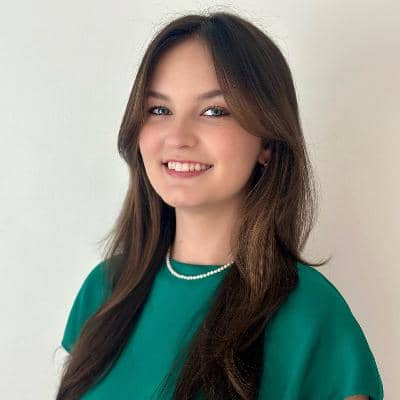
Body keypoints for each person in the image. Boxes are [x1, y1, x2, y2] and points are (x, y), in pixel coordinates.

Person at [56, 11, 384, 400]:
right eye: (159, 110)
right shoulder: (104, 290)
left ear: (267, 143)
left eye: (214, 111)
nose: (178, 137)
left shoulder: (311, 314)